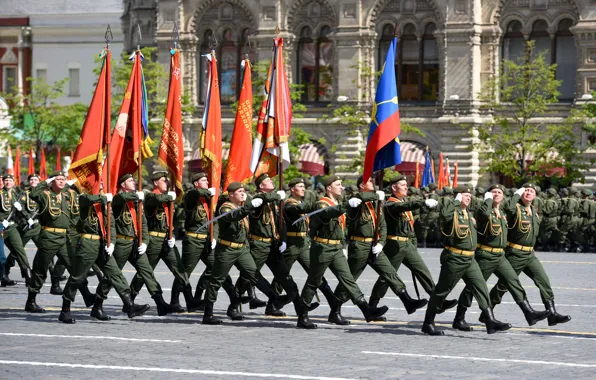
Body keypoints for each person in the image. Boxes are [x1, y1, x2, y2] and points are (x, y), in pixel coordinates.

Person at [329, 175, 427, 326]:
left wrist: (381, 242)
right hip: (359, 246)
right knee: (350, 279)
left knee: (390, 273)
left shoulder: (376, 202)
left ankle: (407, 301)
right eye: (369, 181)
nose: (373, 183)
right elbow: (358, 199)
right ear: (362, 185)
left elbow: (382, 225)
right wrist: (376, 195)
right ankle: (335, 311)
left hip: (374, 246)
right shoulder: (355, 201)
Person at [296, 175, 389, 329]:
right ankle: (303, 315)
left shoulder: (338, 202)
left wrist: (343, 246)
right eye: (338, 184)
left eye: (341, 184)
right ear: (328, 188)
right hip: (322, 248)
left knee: (348, 280)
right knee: (313, 281)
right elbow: (328, 213)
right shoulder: (321, 203)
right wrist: (347, 205)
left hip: (337, 248)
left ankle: (366, 310)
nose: (341, 187)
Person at [452, 184, 549, 331]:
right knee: (473, 288)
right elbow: (485, 214)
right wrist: (494, 198)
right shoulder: (484, 209)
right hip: (485, 255)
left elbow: (510, 208)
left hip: (501, 255)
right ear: (488, 195)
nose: (496, 194)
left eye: (499, 192)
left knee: (513, 281)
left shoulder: (502, 211)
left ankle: (528, 312)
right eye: (493, 192)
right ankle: (459, 318)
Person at [421, 185, 511, 336]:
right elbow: (445, 216)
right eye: (464, 195)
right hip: (454, 258)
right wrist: (455, 202)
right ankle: (428, 323)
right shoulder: (452, 211)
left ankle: (490, 320)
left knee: (480, 287)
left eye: (469, 196)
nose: (468, 198)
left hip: (470, 258)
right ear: (457, 197)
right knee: (442, 291)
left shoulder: (468, 214)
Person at [202, 182, 291, 325]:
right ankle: (208, 313)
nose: (243, 193)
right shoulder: (225, 208)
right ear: (231, 194)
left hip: (242, 249)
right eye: (239, 191)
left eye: (244, 191)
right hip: (226, 250)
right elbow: (235, 216)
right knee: (216, 280)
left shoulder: (242, 206)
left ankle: (274, 297)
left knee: (254, 275)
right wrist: (250, 205)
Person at [369, 175, 457, 314]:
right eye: (402, 184)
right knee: (387, 277)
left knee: (423, 272)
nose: (406, 187)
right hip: (395, 245)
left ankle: (438, 302)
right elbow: (405, 206)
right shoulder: (391, 203)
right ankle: (372, 306)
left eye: (406, 184)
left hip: (408, 245)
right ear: (394, 187)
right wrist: (423, 202)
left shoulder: (403, 201)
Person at [59, 191, 150, 323]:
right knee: (77, 277)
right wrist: (104, 198)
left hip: (102, 244)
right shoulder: (85, 200)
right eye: (99, 185)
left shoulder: (104, 205)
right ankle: (65, 310)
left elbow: (111, 225)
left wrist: (111, 242)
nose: (101, 187)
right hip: (88, 244)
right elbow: (88, 199)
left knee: (115, 273)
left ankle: (129, 305)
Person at [489, 184, 571, 326]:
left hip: (529, 254)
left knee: (543, 281)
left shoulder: (533, 210)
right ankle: (487, 312)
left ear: (535, 196)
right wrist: (516, 194)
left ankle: (552, 313)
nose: (528, 193)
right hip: (515, 253)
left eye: (531, 191)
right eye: (525, 190)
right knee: (503, 286)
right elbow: (508, 208)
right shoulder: (516, 209)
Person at [93, 174, 171, 318]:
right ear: (122, 185)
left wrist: (145, 241)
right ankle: (97, 305)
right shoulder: (118, 200)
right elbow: (121, 199)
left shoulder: (136, 203)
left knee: (147, 271)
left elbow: (143, 224)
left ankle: (160, 303)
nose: (134, 182)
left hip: (135, 243)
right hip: (121, 244)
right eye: (130, 181)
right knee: (112, 277)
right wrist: (139, 196)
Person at [128, 171, 202, 312]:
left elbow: (169, 220)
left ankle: (189, 300)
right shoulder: (151, 196)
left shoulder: (168, 200)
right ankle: (129, 300)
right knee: (144, 273)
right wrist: (170, 197)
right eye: (164, 180)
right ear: (156, 182)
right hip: (153, 240)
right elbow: (154, 201)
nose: (167, 182)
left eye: (167, 180)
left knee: (180, 269)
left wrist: (172, 234)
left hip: (167, 240)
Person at [24, 172, 95, 314]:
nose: (62, 182)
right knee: (40, 270)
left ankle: (86, 294)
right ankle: (31, 302)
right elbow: (33, 194)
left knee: (75, 267)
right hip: (49, 236)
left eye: (63, 179)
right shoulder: (45, 195)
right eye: (58, 179)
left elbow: (74, 214)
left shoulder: (66, 196)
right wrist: (46, 181)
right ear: (52, 182)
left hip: (64, 237)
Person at [172, 172, 237, 312]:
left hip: (207, 241)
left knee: (219, 268)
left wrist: (214, 237)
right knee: (185, 272)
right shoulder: (191, 197)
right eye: (203, 180)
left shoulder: (208, 200)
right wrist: (207, 191)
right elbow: (193, 194)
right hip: (193, 241)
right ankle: (174, 301)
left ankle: (234, 298)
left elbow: (215, 221)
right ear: (196, 183)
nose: (207, 182)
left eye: (207, 180)